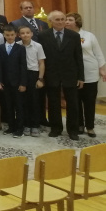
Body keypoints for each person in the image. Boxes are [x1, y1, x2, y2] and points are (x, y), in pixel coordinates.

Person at [40, 11, 85, 141]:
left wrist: (81, 77)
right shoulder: (43, 35)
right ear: (51, 21)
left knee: (73, 104)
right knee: (53, 103)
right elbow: (41, 58)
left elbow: (78, 57)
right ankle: (56, 128)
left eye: (62, 19)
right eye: (57, 19)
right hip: (51, 74)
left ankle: (73, 130)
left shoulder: (74, 36)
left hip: (70, 74)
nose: (60, 22)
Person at [65, 12, 105, 138]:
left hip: (90, 72)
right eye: (66, 20)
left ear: (77, 22)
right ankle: (79, 125)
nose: (66, 22)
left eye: (70, 20)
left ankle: (90, 127)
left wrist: (102, 69)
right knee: (75, 102)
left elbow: (98, 53)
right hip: (73, 74)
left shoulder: (89, 36)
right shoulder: (65, 36)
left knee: (89, 102)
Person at [17, 25, 45, 137]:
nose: (25, 35)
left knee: (34, 101)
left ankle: (35, 125)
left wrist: (40, 79)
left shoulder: (38, 46)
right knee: (23, 101)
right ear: (19, 35)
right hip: (21, 75)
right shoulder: (17, 45)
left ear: (32, 34)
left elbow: (41, 63)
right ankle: (26, 124)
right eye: (22, 33)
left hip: (33, 74)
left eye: (27, 33)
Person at [1, 25, 27, 138]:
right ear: (4, 35)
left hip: (17, 82)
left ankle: (20, 128)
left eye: (12, 35)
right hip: (5, 83)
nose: (10, 37)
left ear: (16, 35)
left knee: (19, 106)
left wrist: (23, 83)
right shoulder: (0, 48)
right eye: (7, 35)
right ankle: (11, 126)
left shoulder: (20, 48)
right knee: (8, 106)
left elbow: (23, 66)